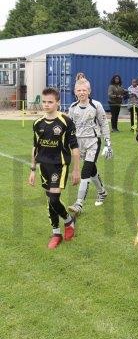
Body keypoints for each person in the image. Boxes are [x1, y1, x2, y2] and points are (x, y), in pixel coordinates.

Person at [28, 87, 81, 249]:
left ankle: (68, 221)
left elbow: (74, 148)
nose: (46, 105)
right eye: (44, 102)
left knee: (53, 199)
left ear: (57, 102)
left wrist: (76, 170)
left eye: (50, 102)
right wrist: (32, 170)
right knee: (50, 200)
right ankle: (57, 233)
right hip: (44, 166)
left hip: (60, 165)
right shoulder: (38, 123)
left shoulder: (65, 122)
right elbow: (35, 147)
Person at [67, 79, 112, 216]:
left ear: (89, 91)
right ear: (75, 92)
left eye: (84, 90)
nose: (82, 92)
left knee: (85, 171)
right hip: (79, 144)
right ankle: (102, 192)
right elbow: (69, 127)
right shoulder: (72, 107)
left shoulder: (96, 105)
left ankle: (79, 203)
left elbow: (104, 124)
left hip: (93, 142)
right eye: (79, 90)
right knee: (92, 170)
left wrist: (108, 143)